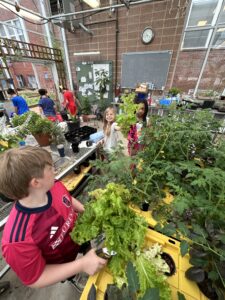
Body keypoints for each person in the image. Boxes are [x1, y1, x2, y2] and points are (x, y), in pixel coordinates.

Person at [0, 146, 107, 288]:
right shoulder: (17, 240)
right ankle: (74, 277)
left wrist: (83, 210)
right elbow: (36, 278)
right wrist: (81, 265)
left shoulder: (53, 185)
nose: (55, 171)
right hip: (62, 262)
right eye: (50, 168)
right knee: (73, 270)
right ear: (36, 182)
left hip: (77, 237)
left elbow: (67, 198)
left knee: (87, 251)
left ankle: (86, 255)